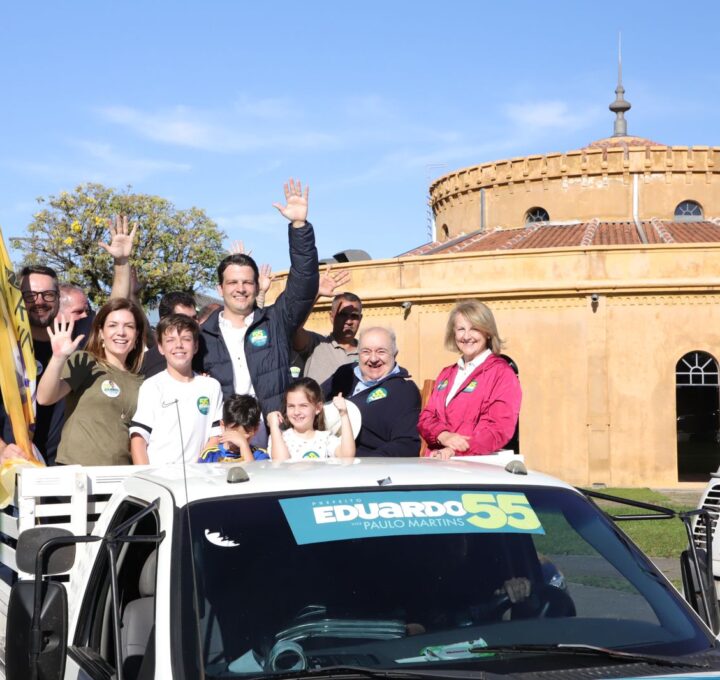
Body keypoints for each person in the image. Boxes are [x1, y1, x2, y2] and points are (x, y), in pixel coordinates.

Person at [0, 216, 135, 464]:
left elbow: (115, 306)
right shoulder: (5, 346)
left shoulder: (75, 334)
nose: (39, 301)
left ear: (58, 298)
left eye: (48, 294)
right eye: (30, 295)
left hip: (65, 466)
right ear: (19, 298)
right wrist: (1, 450)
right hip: (14, 463)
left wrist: (121, 262)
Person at [194, 179, 319, 419]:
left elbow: (304, 281)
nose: (240, 289)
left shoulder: (275, 322)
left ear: (256, 285)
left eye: (247, 282)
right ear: (220, 288)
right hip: (225, 443)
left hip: (275, 439)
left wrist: (299, 226)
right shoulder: (202, 337)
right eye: (232, 282)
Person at [36, 298, 147, 466]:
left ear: (137, 335)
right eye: (113, 325)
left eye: (129, 326)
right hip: (77, 474)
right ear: (101, 332)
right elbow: (45, 398)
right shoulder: (85, 362)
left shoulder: (142, 382)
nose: (121, 332)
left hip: (120, 478)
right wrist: (58, 358)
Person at [418, 300, 521, 459]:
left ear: (487, 332)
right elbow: (426, 418)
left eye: (474, 329)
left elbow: (497, 430)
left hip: (475, 468)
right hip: (438, 463)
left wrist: (456, 450)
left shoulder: (502, 374)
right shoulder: (447, 374)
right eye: (461, 329)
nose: (466, 336)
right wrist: (444, 435)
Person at [129, 314, 223, 465]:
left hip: (199, 479)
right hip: (160, 480)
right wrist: (146, 477)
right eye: (170, 340)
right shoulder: (152, 386)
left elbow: (216, 436)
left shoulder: (211, 386)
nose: (178, 345)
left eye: (186, 339)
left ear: (196, 346)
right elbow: (139, 438)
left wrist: (202, 469)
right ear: (160, 348)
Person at [323, 327, 421, 457]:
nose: (373, 359)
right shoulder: (345, 374)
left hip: (365, 466)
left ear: (394, 354)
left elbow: (406, 444)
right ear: (358, 354)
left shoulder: (403, 390)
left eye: (381, 351)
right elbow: (312, 399)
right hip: (323, 457)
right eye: (366, 352)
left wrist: (367, 465)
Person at [267, 378, 355, 460]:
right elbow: (281, 461)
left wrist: (344, 414)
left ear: (318, 408)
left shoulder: (325, 438)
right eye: (291, 406)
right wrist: (274, 426)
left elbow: (347, 456)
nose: (296, 412)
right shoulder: (279, 437)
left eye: (303, 406)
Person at [294, 285, 362, 386]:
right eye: (342, 315)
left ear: (360, 319)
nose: (349, 321)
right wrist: (316, 294)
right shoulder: (316, 343)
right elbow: (295, 328)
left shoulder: (368, 353)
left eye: (354, 316)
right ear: (332, 317)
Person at [140, 291, 198, 378]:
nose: (192, 324)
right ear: (165, 321)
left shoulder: (204, 352)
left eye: (194, 318)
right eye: (183, 319)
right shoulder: (152, 370)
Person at [199, 394, 269, 462]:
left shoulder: (260, 456)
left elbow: (251, 472)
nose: (237, 442)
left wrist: (243, 445)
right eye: (234, 436)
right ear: (223, 426)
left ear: (256, 429)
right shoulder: (210, 455)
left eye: (244, 438)